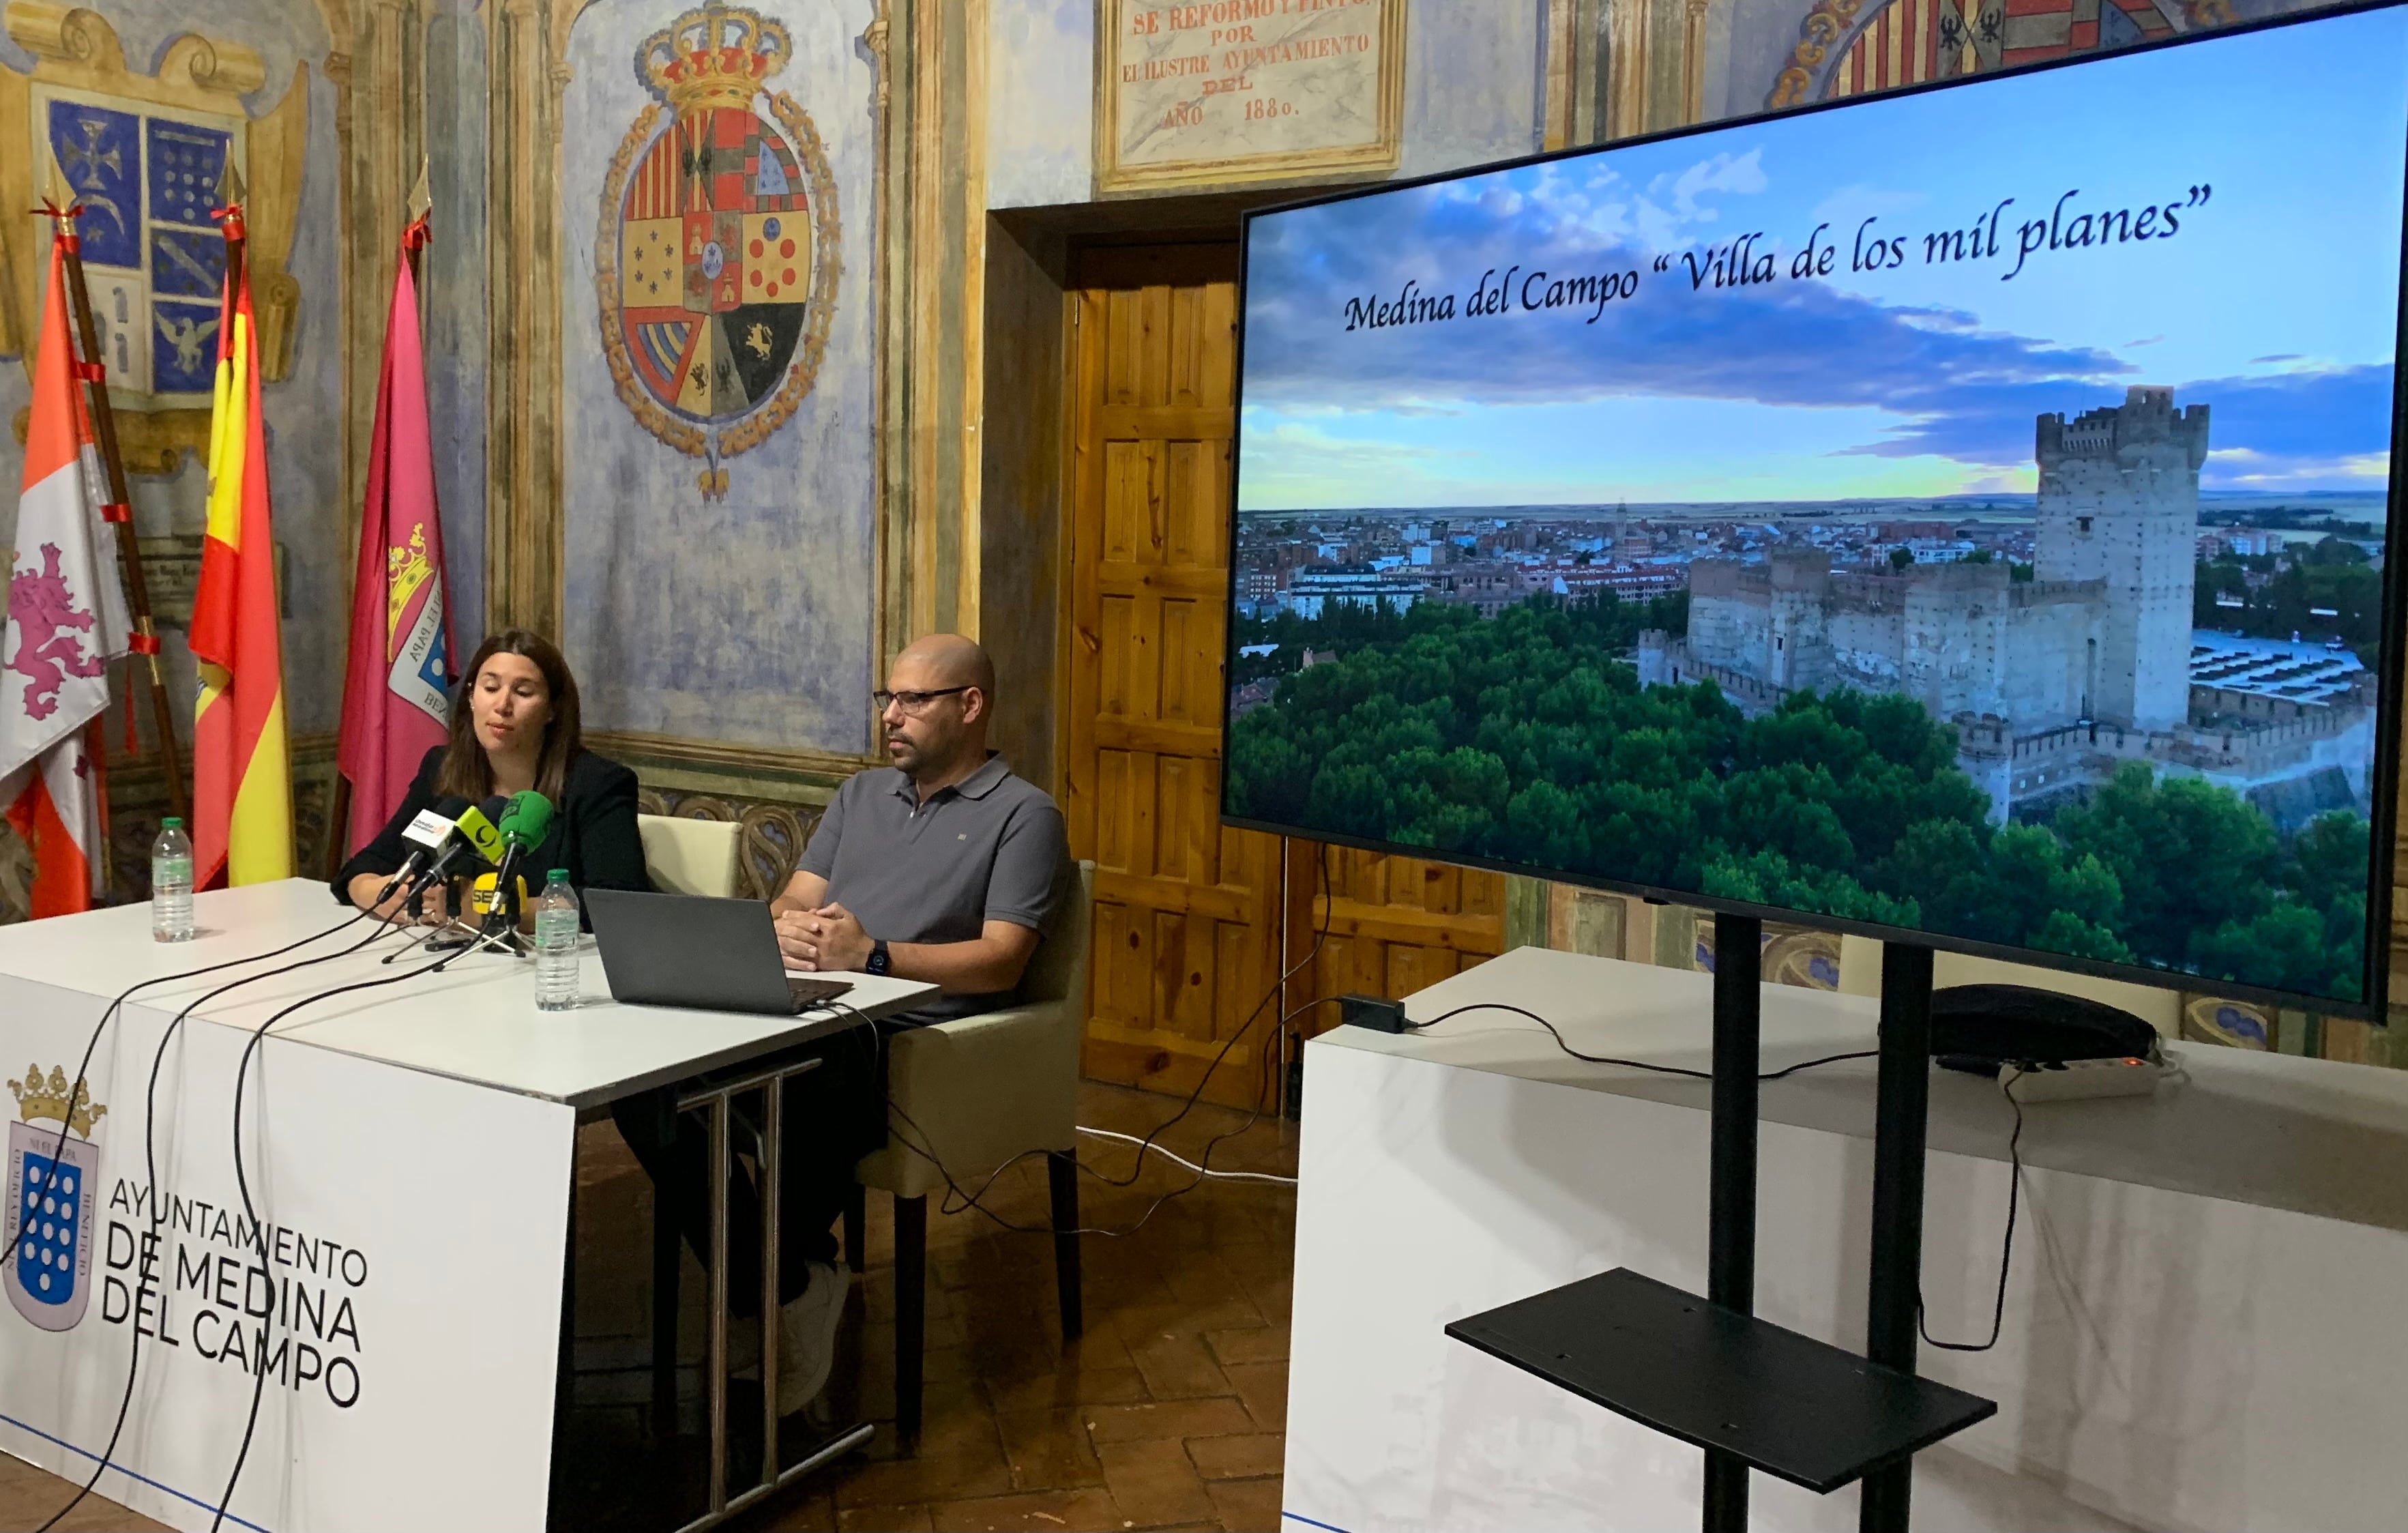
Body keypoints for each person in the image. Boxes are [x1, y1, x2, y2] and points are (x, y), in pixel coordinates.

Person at [613, 633, 1070, 1416]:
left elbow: (1002, 961)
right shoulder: (860, 796)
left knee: (817, 1073)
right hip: (814, 1004)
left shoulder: (1025, 816)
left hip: (914, 1034)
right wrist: (787, 927)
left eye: (913, 701)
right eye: (885, 699)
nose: (891, 716)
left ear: (970, 705)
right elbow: (797, 896)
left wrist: (875, 956)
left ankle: (774, 1286)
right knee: (647, 1086)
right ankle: (790, 1282)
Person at [336, 629, 650, 922]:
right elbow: (367, 865)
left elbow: (619, 902)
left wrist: (492, 910)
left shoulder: (597, 783)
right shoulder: (442, 767)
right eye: (490, 688)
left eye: (523, 692)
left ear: (552, 710)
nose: (503, 705)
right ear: (472, 698)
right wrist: (379, 893)